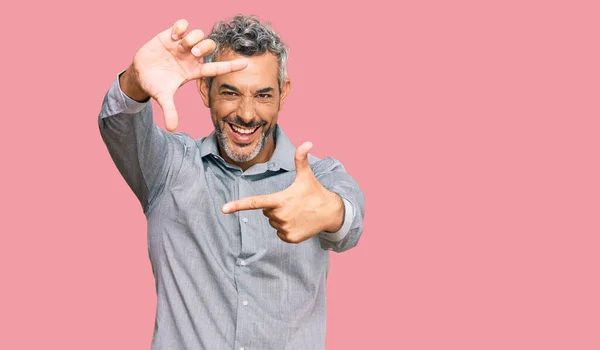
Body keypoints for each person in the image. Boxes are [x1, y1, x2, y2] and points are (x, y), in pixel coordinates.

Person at [98, 15, 365, 350]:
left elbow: (350, 221)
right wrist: (136, 82)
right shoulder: (167, 167)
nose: (247, 114)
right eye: (230, 92)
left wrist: (332, 211)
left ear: (283, 94)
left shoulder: (317, 178)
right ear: (204, 90)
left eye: (264, 95)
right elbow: (118, 126)